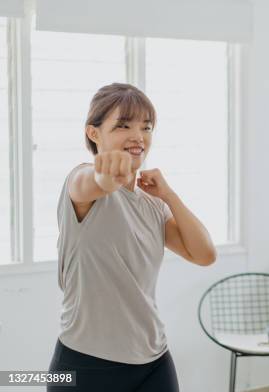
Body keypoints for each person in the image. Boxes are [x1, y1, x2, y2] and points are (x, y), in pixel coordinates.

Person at [47, 83, 217, 392]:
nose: (138, 135)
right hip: (86, 364)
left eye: (146, 127)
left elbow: (204, 254)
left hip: (154, 361)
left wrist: (170, 195)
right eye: (123, 125)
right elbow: (93, 182)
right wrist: (107, 175)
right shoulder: (81, 182)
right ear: (93, 133)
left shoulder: (153, 204)